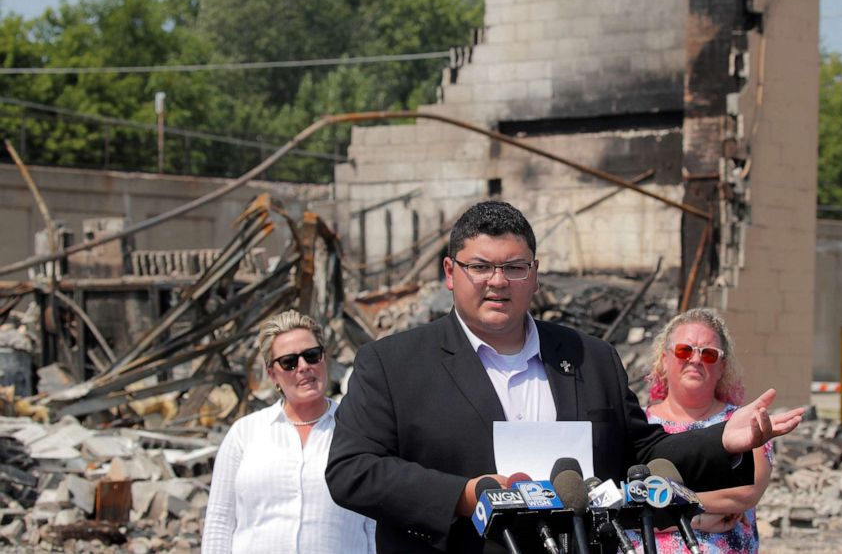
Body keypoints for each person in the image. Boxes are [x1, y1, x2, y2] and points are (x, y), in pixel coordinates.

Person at [326, 201, 803, 554]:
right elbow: (352, 471)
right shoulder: (392, 363)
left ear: (534, 275)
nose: (497, 282)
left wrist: (723, 440)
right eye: (480, 267)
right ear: (451, 272)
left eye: (514, 268)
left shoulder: (589, 358)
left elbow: (641, 453)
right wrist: (463, 496)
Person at [202, 309, 375, 554]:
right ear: (272, 373)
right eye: (289, 362)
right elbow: (219, 523)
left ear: (324, 358)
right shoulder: (245, 434)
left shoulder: (359, 430)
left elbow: (375, 522)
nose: (303, 367)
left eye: (311, 356)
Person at [631, 308, 773, 554]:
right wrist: (698, 518)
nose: (695, 360)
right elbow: (623, 503)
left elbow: (745, 493)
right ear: (664, 359)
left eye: (708, 354)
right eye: (684, 350)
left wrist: (660, 505)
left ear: (722, 367)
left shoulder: (741, 422)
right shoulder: (637, 423)